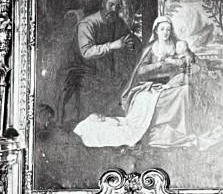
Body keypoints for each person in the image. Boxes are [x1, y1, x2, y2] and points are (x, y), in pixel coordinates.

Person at [73, 16, 198, 149]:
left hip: (172, 83)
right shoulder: (151, 48)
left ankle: (180, 129)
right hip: (151, 85)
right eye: (162, 29)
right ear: (156, 31)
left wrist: (187, 57)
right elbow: (140, 71)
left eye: (168, 29)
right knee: (145, 99)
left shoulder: (178, 45)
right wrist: (157, 65)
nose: (165, 32)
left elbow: (191, 61)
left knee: (185, 90)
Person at [58, 0, 135, 125]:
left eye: (117, 6)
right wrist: (112, 46)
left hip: (102, 67)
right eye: (111, 5)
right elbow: (86, 52)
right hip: (79, 68)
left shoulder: (118, 22)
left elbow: (128, 38)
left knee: (125, 80)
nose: (114, 9)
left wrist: (129, 44)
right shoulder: (88, 24)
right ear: (103, 4)